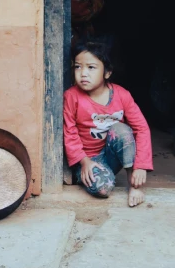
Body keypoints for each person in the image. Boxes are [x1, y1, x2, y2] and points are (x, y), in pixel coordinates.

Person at [63, 39, 153, 207]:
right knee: (104, 188)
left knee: (122, 130)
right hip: (88, 159)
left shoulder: (122, 95)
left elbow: (142, 128)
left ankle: (134, 184)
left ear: (107, 73)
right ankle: (96, 175)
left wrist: (140, 166)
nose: (83, 73)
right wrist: (84, 161)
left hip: (111, 154)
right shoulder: (71, 96)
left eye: (91, 67)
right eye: (78, 66)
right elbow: (70, 131)